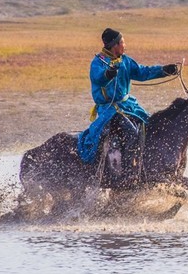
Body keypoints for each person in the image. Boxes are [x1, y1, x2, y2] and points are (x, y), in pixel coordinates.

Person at [77, 28, 180, 183]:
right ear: (115, 45)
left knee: (149, 126)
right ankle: (128, 173)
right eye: (123, 42)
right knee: (131, 133)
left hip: (129, 106)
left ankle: (147, 166)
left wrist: (163, 70)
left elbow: (142, 72)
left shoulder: (125, 61)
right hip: (110, 110)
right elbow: (98, 79)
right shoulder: (98, 62)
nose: (125, 45)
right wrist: (107, 74)